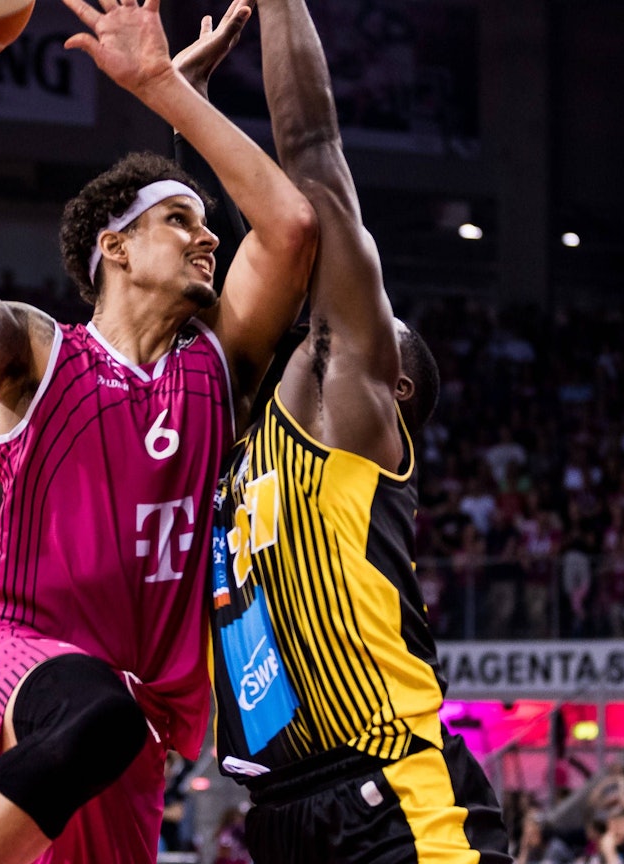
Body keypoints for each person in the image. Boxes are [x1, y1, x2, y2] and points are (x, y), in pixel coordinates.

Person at [0, 0, 316, 859]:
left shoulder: (218, 366)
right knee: (92, 708)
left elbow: (289, 229)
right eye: (180, 220)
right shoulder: (40, 353)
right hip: (11, 655)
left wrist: (169, 89)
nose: (210, 238)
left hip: (133, 722)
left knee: (105, 719)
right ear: (115, 246)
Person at [197, 0, 505, 859]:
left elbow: (314, 157)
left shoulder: (350, 409)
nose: (368, 311)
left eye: (384, 323)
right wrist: (184, 101)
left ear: (393, 383)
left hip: (393, 794)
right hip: (280, 814)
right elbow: (215, 284)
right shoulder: (252, 435)